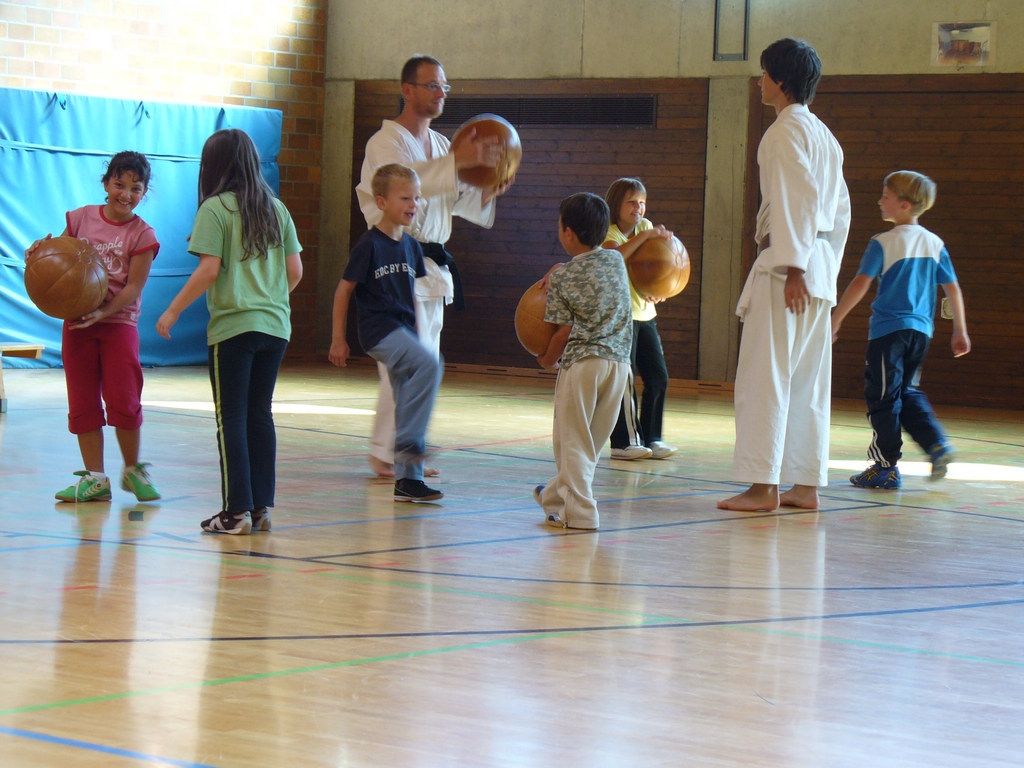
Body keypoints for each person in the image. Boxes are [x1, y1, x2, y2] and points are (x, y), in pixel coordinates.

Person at [355, 54, 510, 479]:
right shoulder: (384, 143)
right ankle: (393, 451)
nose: (441, 93)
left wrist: (487, 189)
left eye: (445, 86)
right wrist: (458, 163)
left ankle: (402, 448)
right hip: (395, 263)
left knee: (421, 360)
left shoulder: (443, 146)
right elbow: (407, 182)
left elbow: (454, 198)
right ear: (407, 90)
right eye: (433, 86)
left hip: (432, 268)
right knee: (409, 361)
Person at [718, 38, 851, 513]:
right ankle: (806, 485)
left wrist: (794, 266)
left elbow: (796, 197)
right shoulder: (824, 136)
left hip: (787, 270)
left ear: (780, 80)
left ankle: (762, 488)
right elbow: (840, 214)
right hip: (818, 266)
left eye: (763, 74)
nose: (759, 82)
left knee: (765, 377)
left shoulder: (783, 132)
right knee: (808, 382)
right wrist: (823, 272)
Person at [157, 129, 303, 535]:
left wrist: (172, 311)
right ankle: (259, 509)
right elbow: (294, 272)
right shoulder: (277, 209)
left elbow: (209, 270)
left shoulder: (215, 208)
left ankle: (235, 512)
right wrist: (266, 299)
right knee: (260, 414)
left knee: (232, 418)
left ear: (212, 167)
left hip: (234, 328)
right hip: (276, 327)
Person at [26, 151, 162, 504]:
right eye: (119, 184)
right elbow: (59, 256)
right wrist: (40, 253)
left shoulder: (143, 234)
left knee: (124, 399)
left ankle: (132, 470)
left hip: (118, 324)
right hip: (78, 323)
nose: (126, 194)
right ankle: (96, 479)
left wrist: (103, 313)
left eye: (135, 188)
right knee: (83, 401)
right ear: (106, 184)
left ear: (144, 193)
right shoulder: (81, 218)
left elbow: (133, 287)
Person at [831, 171, 970, 488]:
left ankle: (885, 467)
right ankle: (937, 445)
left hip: (888, 333)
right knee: (906, 392)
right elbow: (952, 288)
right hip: (920, 332)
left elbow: (861, 283)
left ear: (904, 205)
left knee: (882, 397)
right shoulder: (934, 243)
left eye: (886, 197)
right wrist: (959, 330)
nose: (880, 201)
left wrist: (836, 319)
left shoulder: (883, 242)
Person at [331, 164, 444, 503]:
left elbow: (411, 295)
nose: (414, 204)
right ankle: (408, 442)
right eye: (405, 198)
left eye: (417, 198)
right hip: (379, 332)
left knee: (406, 395)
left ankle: (409, 482)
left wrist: (417, 334)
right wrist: (338, 338)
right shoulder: (369, 245)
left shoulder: (411, 247)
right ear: (381, 202)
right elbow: (343, 290)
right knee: (430, 365)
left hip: (403, 331)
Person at [533, 192, 633, 530]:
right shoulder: (616, 260)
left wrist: (546, 360)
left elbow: (563, 332)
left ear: (568, 233)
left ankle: (582, 514)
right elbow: (594, 265)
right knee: (590, 444)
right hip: (618, 366)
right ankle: (554, 496)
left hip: (582, 365)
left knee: (572, 443)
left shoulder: (562, 279)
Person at [602, 177, 677, 461]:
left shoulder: (645, 227)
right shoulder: (609, 232)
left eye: (642, 202)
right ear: (617, 205)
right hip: (621, 318)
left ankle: (652, 437)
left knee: (658, 376)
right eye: (632, 202)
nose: (639, 208)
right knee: (626, 380)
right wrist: (645, 237)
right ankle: (624, 442)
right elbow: (614, 257)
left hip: (646, 316)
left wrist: (660, 289)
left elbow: (657, 265)